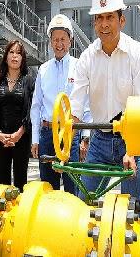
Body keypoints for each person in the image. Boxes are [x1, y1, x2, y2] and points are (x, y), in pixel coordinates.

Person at [70, 0, 140, 219]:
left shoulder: (137, 53)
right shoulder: (86, 57)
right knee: (83, 200)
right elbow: (74, 109)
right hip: (99, 139)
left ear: (121, 20)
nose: (104, 24)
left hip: (132, 137)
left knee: (135, 207)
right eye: (99, 18)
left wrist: (133, 150)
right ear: (94, 23)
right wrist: (66, 142)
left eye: (109, 17)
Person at [30, 14, 90, 195]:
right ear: (50, 42)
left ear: (70, 41)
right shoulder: (43, 69)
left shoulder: (79, 66)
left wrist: (85, 137)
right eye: (55, 39)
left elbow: (86, 104)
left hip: (70, 134)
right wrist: (35, 138)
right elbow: (36, 105)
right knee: (48, 188)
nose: (59, 44)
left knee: (72, 187)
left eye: (63, 39)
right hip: (47, 134)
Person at [0, 40, 34, 192]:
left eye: (18, 53)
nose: (15, 56)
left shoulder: (28, 81)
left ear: (23, 58)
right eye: (11, 52)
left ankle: (19, 215)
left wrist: (19, 133)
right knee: (2, 183)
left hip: (21, 138)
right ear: (6, 56)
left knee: (21, 182)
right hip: (1, 138)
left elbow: (30, 111)